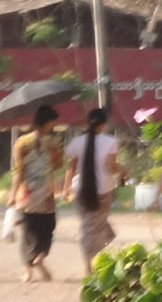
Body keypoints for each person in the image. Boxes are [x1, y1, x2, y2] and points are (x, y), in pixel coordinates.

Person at [10, 105, 65, 282]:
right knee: (47, 228)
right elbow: (58, 166)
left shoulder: (21, 143)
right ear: (48, 123)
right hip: (46, 195)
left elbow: (18, 171)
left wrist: (12, 195)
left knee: (27, 233)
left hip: (26, 194)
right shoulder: (54, 144)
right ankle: (40, 257)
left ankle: (28, 272)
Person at [64, 106, 119, 273]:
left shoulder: (76, 142)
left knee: (90, 225)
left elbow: (71, 167)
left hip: (81, 190)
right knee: (94, 226)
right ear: (103, 124)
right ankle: (92, 266)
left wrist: (66, 188)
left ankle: (94, 263)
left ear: (88, 122)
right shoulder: (111, 141)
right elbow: (111, 169)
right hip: (104, 190)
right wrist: (123, 169)